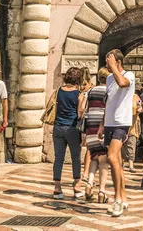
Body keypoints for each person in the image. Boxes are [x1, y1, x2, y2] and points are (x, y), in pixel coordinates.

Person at [103, 49, 135, 216]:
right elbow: (109, 102)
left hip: (121, 123)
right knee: (117, 163)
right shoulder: (109, 78)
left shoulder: (129, 75)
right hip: (109, 123)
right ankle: (123, 197)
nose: (106, 64)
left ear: (118, 62)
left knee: (111, 157)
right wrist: (101, 124)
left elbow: (122, 83)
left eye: (109, 60)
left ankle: (117, 201)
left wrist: (114, 67)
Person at [51, 66, 85, 199]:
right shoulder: (79, 94)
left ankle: (57, 187)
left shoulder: (58, 90)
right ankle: (77, 185)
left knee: (58, 157)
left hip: (58, 128)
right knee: (76, 157)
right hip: (72, 128)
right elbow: (80, 113)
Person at [81, 67, 111, 203]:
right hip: (102, 128)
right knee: (104, 160)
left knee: (94, 157)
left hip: (90, 128)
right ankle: (102, 191)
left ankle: (89, 184)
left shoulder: (91, 91)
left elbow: (85, 109)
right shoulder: (109, 91)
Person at [123, 90, 143, 174]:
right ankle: (121, 162)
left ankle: (131, 164)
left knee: (131, 142)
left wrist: (139, 109)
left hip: (133, 122)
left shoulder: (136, 97)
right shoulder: (122, 95)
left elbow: (140, 106)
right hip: (123, 121)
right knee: (122, 143)